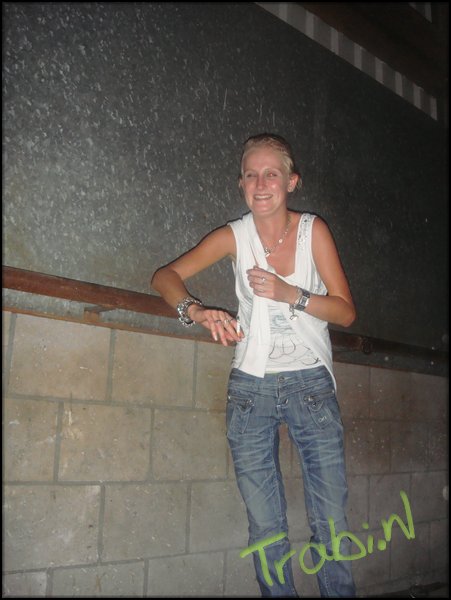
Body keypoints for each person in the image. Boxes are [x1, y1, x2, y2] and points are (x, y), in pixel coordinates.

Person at [151, 133, 357, 598]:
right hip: (250, 390)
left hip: (310, 383)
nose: (261, 184)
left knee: (331, 522)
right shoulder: (235, 235)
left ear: (291, 181)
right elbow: (165, 276)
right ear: (242, 184)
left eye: (271, 174)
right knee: (266, 528)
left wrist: (290, 294)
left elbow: (345, 312)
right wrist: (195, 310)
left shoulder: (312, 231)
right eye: (251, 175)